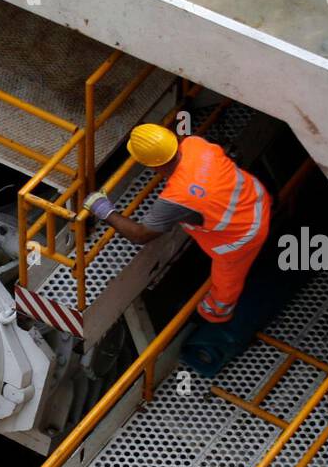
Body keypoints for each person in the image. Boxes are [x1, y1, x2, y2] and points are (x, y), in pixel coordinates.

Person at [83, 124, 271, 324]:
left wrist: (105, 211)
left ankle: (215, 313)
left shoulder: (177, 198)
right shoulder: (195, 144)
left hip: (243, 236)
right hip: (257, 198)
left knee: (227, 280)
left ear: (152, 166)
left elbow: (140, 235)